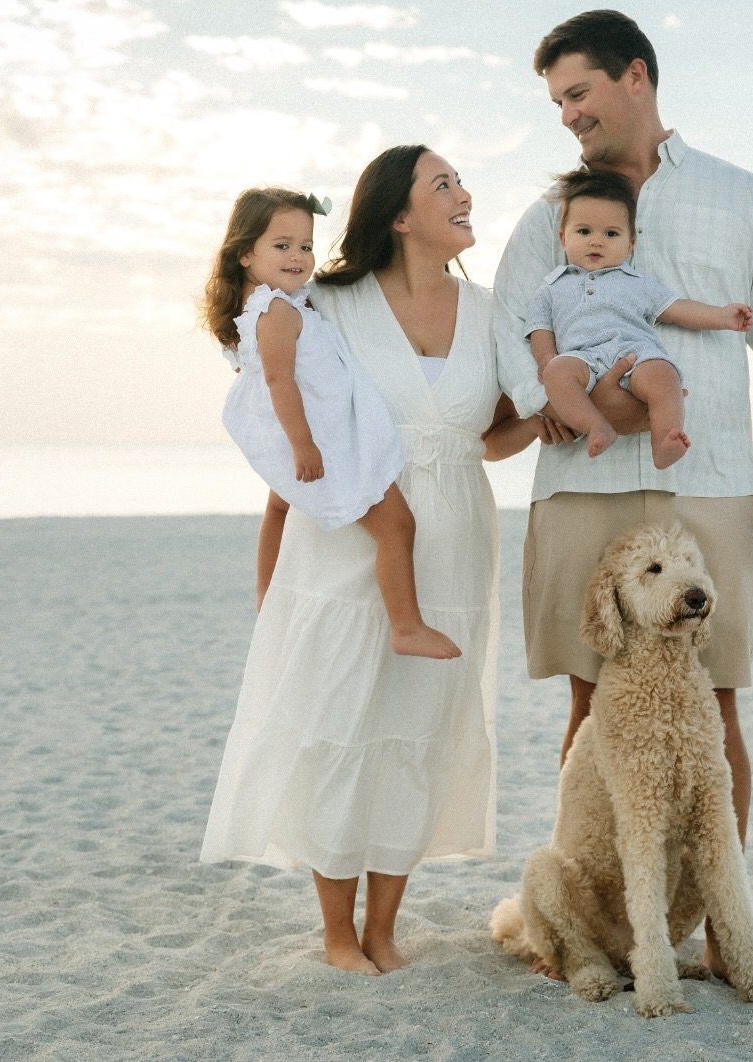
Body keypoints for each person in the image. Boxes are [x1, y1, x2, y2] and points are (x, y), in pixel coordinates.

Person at [492, 9, 753, 979]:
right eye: (557, 100)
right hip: (585, 480)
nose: (568, 116)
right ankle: (585, 929)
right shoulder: (547, 218)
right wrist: (545, 402)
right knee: (590, 713)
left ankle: (729, 937)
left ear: (635, 77)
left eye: (579, 93)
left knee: (717, 713)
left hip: (709, 481)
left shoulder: (741, 199)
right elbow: (514, 327)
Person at [201, 147, 541, 975]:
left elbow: (488, 436)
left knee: (419, 735)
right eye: (444, 184)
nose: (464, 194)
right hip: (348, 538)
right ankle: (336, 932)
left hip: (454, 537)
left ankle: (384, 926)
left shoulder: (491, 309)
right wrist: (271, 567)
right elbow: (286, 414)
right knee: (341, 727)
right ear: (398, 214)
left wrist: (541, 425)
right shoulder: (331, 301)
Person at [203, 186, 459, 659]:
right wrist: (304, 446)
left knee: (279, 509)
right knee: (397, 525)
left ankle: (267, 598)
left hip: (313, 428)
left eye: (305, 245)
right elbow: (280, 381)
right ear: (244, 254)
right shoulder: (276, 312)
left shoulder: (275, 305)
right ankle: (406, 625)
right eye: (282, 246)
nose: (299, 257)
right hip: (324, 437)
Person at [526, 168, 752, 468]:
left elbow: (678, 308)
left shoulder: (636, 282)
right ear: (562, 238)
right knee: (556, 374)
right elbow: (540, 328)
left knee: (665, 377)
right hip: (580, 358)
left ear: (630, 243)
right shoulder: (552, 287)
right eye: (584, 231)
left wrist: (722, 316)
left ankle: (665, 440)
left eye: (611, 233)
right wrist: (547, 357)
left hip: (636, 354)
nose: (597, 241)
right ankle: (596, 425)